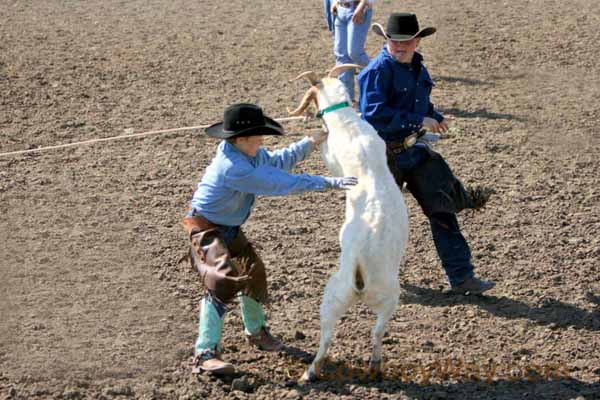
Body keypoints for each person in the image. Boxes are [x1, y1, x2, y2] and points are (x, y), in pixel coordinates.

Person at [183, 103, 357, 375]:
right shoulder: (235, 167)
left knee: (253, 273)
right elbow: (280, 181)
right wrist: (328, 182)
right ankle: (205, 354)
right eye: (258, 135)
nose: (263, 140)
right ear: (242, 139)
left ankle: (256, 332)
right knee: (221, 283)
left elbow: (276, 162)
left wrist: (311, 142)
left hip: (228, 227)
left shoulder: (246, 154)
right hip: (206, 229)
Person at [357, 13, 496, 295]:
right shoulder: (376, 71)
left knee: (442, 210)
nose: (399, 46)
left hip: (413, 151)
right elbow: (373, 114)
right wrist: (418, 121)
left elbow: (419, 103)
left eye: (406, 41)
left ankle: (462, 277)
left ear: (417, 41)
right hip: (382, 157)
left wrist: (433, 115)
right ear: (386, 40)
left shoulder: (417, 68)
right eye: (393, 41)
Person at [324, 0, 376, 103]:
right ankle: (348, 100)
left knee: (355, 53)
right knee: (342, 56)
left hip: (358, 8)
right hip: (341, 9)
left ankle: (378, 75)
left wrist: (361, 6)